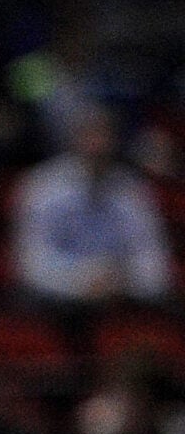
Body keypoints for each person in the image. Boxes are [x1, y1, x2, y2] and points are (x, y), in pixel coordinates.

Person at [12, 104, 170, 306]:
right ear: (73, 139)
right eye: (89, 135)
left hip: (121, 299)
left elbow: (154, 262)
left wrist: (122, 281)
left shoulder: (133, 189)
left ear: (115, 140)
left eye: (103, 135)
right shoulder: (41, 186)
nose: (97, 145)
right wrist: (81, 282)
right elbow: (30, 263)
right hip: (56, 304)